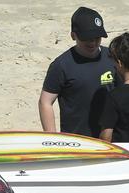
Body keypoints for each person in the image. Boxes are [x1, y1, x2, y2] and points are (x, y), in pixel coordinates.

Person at [38, 6, 121, 137]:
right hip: (77, 139)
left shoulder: (113, 58)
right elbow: (45, 102)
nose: (92, 42)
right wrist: (52, 138)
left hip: (110, 138)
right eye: (87, 38)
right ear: (73, 35)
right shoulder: (61, 65)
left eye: (97, 37)